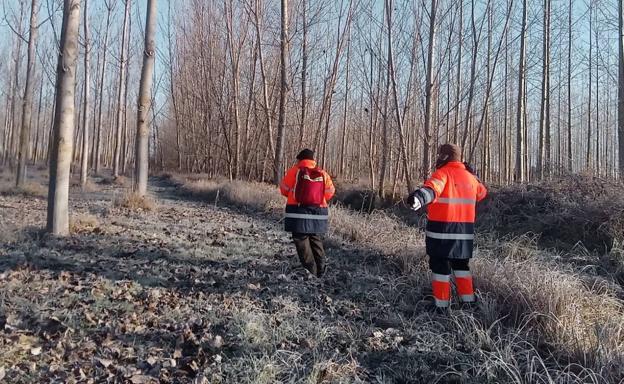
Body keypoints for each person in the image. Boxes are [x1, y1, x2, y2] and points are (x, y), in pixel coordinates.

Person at [407, 144, 487, 310]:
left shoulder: (442, 174)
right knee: (462, 267)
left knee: (440, 268)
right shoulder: (470, 178)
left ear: (444, 157)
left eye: (440, 155)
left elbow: (432, 189)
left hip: (442, 233)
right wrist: (475, 176)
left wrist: (418, 198)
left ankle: (441, 305)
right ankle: (468, 302)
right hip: (464, 235)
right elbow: (482, 193)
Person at [279, 149, 335, 277]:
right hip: (318, 212)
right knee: (315, 239)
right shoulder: (322, 173)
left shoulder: (294, 171)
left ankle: (311, 271)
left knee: (301, 240)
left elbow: (283, 189)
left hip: (297, 211)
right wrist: (317, 198)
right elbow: (330, 192)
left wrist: (295, 195)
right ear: (312, 160)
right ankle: (321, 270)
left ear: (300, 159)